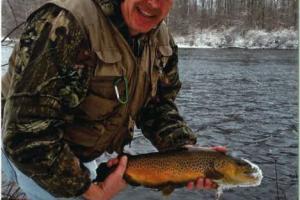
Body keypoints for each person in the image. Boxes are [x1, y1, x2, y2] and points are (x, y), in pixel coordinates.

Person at [2, 0, 226, 199]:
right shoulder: (65, 23)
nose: (154, 4)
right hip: (27, 148)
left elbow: (156, 105)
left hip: (76, 150)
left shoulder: (160, 38)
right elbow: (25, 134)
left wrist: (184, 150)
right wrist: (88, 190)